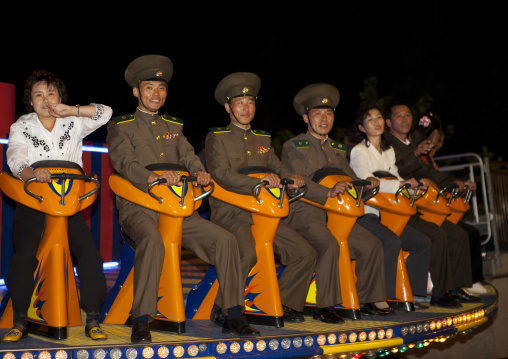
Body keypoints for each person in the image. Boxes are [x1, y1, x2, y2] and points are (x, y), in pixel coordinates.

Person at [106, 56, 259, 343]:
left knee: (226, 240)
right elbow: (124, 162)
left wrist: (200, 172)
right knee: (152, 238)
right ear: (136, 91)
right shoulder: (121, 125)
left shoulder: (174, 126)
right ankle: (142, 319)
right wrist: (151, 178)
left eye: (161, 88)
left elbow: (189, 155)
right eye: (149, 87)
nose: (156, 94)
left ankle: (233, 314)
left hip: (178, 208)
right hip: (140, 207)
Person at [4, 70, 111, 342]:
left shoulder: (74, 120)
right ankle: (19, 320)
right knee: (23, 256)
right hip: (35, 199)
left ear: (60, 97)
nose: (45, 99)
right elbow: (15, 157)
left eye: (51, 93)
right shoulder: (22, 125)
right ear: (30, 100)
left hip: (68, 201)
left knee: (90, 255)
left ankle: (93, 319)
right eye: (38, 94)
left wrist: (72, 110)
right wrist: (30, 172)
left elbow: (106, 112)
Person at [205, 72, 317, 324]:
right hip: (232, 211)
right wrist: (258, 182)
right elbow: (221, 175)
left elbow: (277, 167)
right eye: (239, 103)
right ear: (228, 107)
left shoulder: (263, 138)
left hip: (265, 212)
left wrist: (292, 179)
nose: (246, 108)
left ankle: (284, 302)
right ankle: (223, 308)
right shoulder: (217, 138)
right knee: (246, 253)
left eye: (250, 102)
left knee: (305, 253)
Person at [281, 83, 392, 317]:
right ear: (306, 118)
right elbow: (296, 181)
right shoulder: (294, 146)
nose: (324, 119)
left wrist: (364, 184)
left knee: (371, 245)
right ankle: (325, 305)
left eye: (329, 113)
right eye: (317, 114)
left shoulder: (338, 149)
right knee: (329, 245)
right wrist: (327, 192)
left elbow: (350, 179)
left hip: (338, 214)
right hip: (307, 212)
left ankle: (368, 298)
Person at [384, 100, 480, 306]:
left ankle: (455, 287)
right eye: (399, 115)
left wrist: (457, 182)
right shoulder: (387, 145)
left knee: (458, 234)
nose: (404, 119)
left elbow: (427, 173)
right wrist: (415, 153)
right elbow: (397, 172)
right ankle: (437, 292)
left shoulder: (409, 145)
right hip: (398, 209)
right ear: (388, 122)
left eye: (408, 114)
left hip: (418, 206)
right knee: (439, 235)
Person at [348, 104, 432, 309]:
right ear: (361, 128)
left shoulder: (388, 150)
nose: (376, 122)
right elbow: (366, 183)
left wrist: (413, 187)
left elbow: (396, 177)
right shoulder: (359, 152)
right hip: (366, 215)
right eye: (370, 119)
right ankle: (380, 297)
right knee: (391, 242)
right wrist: (400, 184)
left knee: (423, 242)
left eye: (378, 118)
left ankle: (415, 294)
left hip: (389, 214)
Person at [413, 112, 487, 295]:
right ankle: (456, 285)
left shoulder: (426, 156)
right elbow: (432, 178)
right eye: (433, 137)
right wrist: (455, 183)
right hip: (425, 208)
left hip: (435, 206)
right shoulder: (416, 154)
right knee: (460, 233)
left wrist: (458, 184)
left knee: (467, 232)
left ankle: (467, 281)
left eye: (437, 138)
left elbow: (436, 177)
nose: (435, 142)